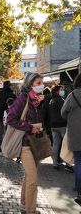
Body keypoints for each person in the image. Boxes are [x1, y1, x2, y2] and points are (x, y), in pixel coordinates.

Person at [7, 72, 45, 214]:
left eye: (42, 82)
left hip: (36, 142)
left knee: (29, 176)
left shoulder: (37, 100)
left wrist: (40, 103)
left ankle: (24, 201)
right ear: (30, 85)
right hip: (24, 144)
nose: (41, 86)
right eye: (38, 83)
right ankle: (30, 210)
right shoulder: (22, 98)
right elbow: (10, 119)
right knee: (33, 179)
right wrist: (29, 127)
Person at [61, 74, 81, 205]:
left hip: (76, 133)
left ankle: (79, 191)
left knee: (79, 162)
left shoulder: (73, 95)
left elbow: (63, 112)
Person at [49, 85, 68, 170]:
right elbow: (65, 112)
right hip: (62, 124)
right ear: (57, 91)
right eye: (61, 89)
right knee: (66, 144)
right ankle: (68, 164)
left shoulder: (51, 100)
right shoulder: (61, 100)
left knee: (55, 144)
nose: (62, 91)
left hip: (53, 125)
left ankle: (54, 163)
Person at [0, 81, 16, 152]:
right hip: (11, 117)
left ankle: (0, 146)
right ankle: (8, 147)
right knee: (9, 132)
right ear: (10, 86)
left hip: (0, 116)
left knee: (0, 132)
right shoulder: (12, 95)